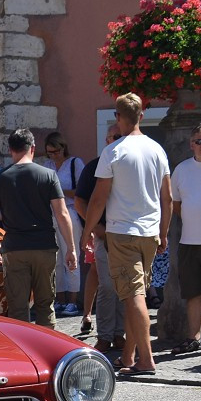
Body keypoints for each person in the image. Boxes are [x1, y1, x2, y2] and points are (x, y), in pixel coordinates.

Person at [83, 92, 172, 377]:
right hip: (149, 233)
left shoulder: (113, 151)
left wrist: (86, 232)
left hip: (121, 232)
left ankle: (145, 360)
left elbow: (98, 199)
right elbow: (167, 198)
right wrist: (164, 232)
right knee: (138, 295)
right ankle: (128, 355)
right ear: (141, 116)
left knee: (133, 296)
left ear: (118, 117)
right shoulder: (157, 150)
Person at [0, 128, 77, 329]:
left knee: (18, 308)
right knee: (45, 305)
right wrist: (71, 247)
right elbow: (62, 214)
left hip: (15, 247)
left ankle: (24, 356)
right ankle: (49, 352)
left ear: (10, 150)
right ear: (33, 148)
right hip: (44, 247)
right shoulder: (48, 175)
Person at [75, 125, 125, 352]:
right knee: (106, 285)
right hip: (104, 235)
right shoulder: (94, 166)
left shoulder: (130, 165)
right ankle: (105, 335)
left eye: (118, 137)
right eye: (111, 138)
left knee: (125, 286)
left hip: (128, 234)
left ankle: (120, 333)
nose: (113, 141)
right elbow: (81, 202)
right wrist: (97, 229)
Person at [168, 123, 201, 356]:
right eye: (200, 141)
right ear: (191, 144)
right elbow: (176, 204)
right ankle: (194, 338)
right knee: (193, 293)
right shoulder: (182, 170)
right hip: (190, 241)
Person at [44, 132, 86, 315]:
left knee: (71, 253)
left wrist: (58, 192)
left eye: (56, 151)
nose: (53, 155)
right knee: (56, 259)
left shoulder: (75, 164)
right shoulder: (47, 166)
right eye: (50, 152)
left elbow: (82, 191)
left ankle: (73, 300)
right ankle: (60, 298)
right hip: (52, 213)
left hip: (70, 212)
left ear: (63, 148)